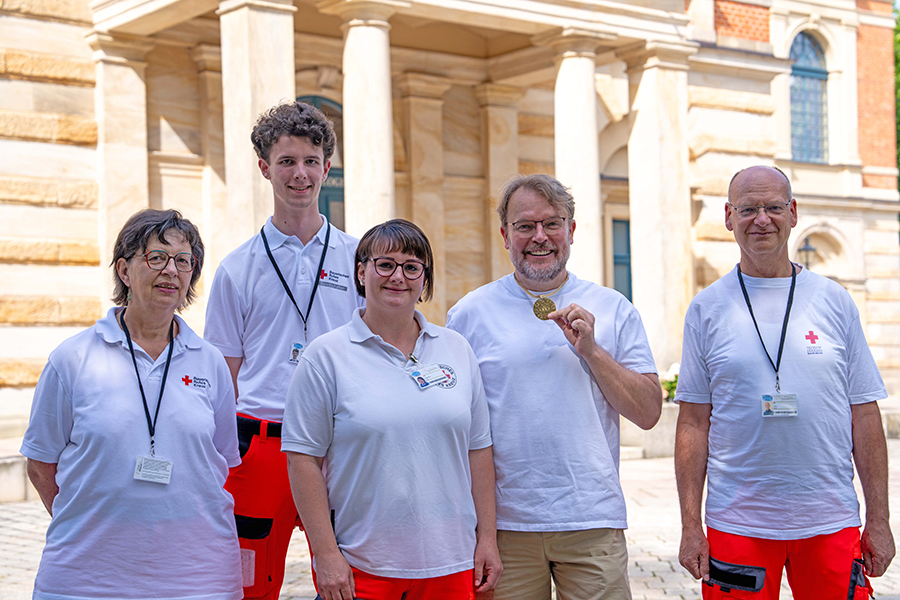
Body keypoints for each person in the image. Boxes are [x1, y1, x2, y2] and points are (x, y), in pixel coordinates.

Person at [675, 165, 895, 599]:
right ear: (728, 216)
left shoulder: (834, 300)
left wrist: (881, 520)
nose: (762, 219)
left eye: (773, 207)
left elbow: (865, 415)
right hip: (738, 524)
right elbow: (693, 424)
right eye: (748, 209)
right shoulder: (706, 309)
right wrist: (689, 526)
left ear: (792, 213)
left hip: (830, 520)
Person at [446, 174, 662, 600]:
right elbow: (455, 427)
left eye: (552, 223)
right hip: (504, 528)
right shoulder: (470, 314)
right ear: (505, 235)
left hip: (591, 520)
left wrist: (594, 352)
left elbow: (649, 412)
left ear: (573, 230)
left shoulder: (614, 308)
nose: (539, 237)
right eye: (525, 226)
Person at [21, 209, 242, 600]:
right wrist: (93, 522)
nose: (171, 271)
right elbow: (40, 465)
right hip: (86, 578)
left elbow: (219, 463)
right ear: (124, 271)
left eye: (183, 261)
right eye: (156, 258)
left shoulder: (210, 362)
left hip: (198, 577)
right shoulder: (72, 359)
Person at [283, 219, 502, 600]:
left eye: (411, 266)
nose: (398, 276)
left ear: (424, 279)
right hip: (363, 566)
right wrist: (325, 554)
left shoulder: (457, 350)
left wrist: (488, 538)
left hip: (452, 562)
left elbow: (478, 450)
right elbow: (303, 459)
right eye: (385, 264)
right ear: (361, 270)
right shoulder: (326, 356)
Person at [204, 101, 363, 599]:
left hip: (342, 445)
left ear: (327, 168)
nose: (300, 174)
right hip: (261, 446)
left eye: (311, 161)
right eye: (287, 161)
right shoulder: (237, 268)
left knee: (347, 582)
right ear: (264, 168)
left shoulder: (360, 259)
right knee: (249, 584)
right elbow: (221, 373)